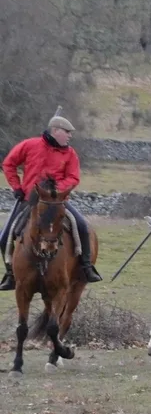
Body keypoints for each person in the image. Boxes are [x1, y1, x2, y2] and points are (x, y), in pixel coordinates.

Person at [1, 115, 102, 289]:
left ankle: (86, 267)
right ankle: (11, 273)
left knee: (82, 226)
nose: (70, 135)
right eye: (67, 132)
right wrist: (16, 186)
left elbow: (73, 177)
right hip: (30, 201)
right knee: (4, 237)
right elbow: (9, 164)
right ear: (55, 131)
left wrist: (54, 192)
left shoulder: (70, 154)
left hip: (57, 202)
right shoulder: (29, 145)